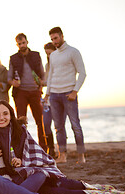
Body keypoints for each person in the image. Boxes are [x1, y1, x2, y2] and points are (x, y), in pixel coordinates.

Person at [0, 100, 113, 194]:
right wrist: (13, 163)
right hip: (20, 178)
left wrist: (21, 160)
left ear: (11, 115)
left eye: (5, 114)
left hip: (33, 170)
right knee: (51, 192)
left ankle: (95, 188)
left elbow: (31, 152)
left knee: (61, 182)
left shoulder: (20, 131)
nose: (1, 118)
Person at [45, 27, 87, 164]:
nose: (54, 41)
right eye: (52, 39)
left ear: (62, 36)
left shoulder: (73, 52)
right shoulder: (53, 56)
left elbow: (82, 73)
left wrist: (75, 91)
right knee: (58, 127)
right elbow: (51, 75)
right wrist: (47, 94)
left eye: (56, 38)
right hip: (54, 96)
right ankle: (62, 155)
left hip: (69, 94)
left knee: (75, 125)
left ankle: (81, 156)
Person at [7, 33, 47, 151]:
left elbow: (42, 74)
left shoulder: (36, 55)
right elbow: (9, 78)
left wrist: (41, 83)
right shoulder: (13, 58)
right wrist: (13, 82)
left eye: (23, 43)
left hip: (35, 92)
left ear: (27, 42)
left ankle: (44, 149)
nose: (22, 45)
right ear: (17, 45)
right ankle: (22, 148)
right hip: (20, 93)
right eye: (19, 44)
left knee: (40, 121)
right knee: (20, 121)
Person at [42, 43, 57, 158]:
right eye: (47, 54)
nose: (49, 56)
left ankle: (61, 150)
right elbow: (46, 81)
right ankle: (50, 149)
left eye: (50, 53)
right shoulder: (47, 65)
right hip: (47, 99)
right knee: (46, 124)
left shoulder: (60, 65)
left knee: (58, 125)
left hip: (57, 97)